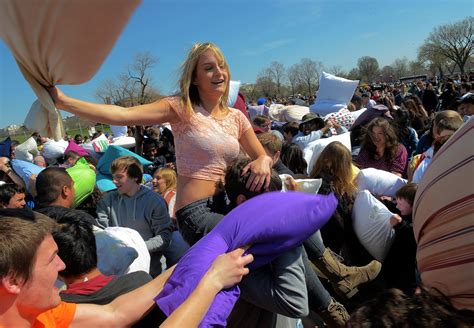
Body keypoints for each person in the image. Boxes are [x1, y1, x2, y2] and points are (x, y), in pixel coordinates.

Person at [49, 42, 273, 247]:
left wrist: (263, 159)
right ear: (194, 78)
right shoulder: (180, 108)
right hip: (197, 212)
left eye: (222, 66)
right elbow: (122, 114)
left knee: (285, 240)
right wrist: (65, 102)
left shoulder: (236, 117)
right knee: (259, 239)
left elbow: (261, 156)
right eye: (209, 68)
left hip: (229, 204)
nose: (219, 73)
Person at [0, 208, 253, 328]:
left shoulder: (39, 313)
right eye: (51, 259)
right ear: (13, 281)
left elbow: (115, 313)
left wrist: (195, 260)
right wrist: (212, 282)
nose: (62, 264)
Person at [96, 156, 172, 277]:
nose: (114, 181)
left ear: (135, 177)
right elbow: (101, 233)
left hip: (147, 273)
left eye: (119, 177)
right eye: (113, 177)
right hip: (115, 274)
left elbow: (164, 238)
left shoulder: (154, 202)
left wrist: (135, 247)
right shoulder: (107, 201)